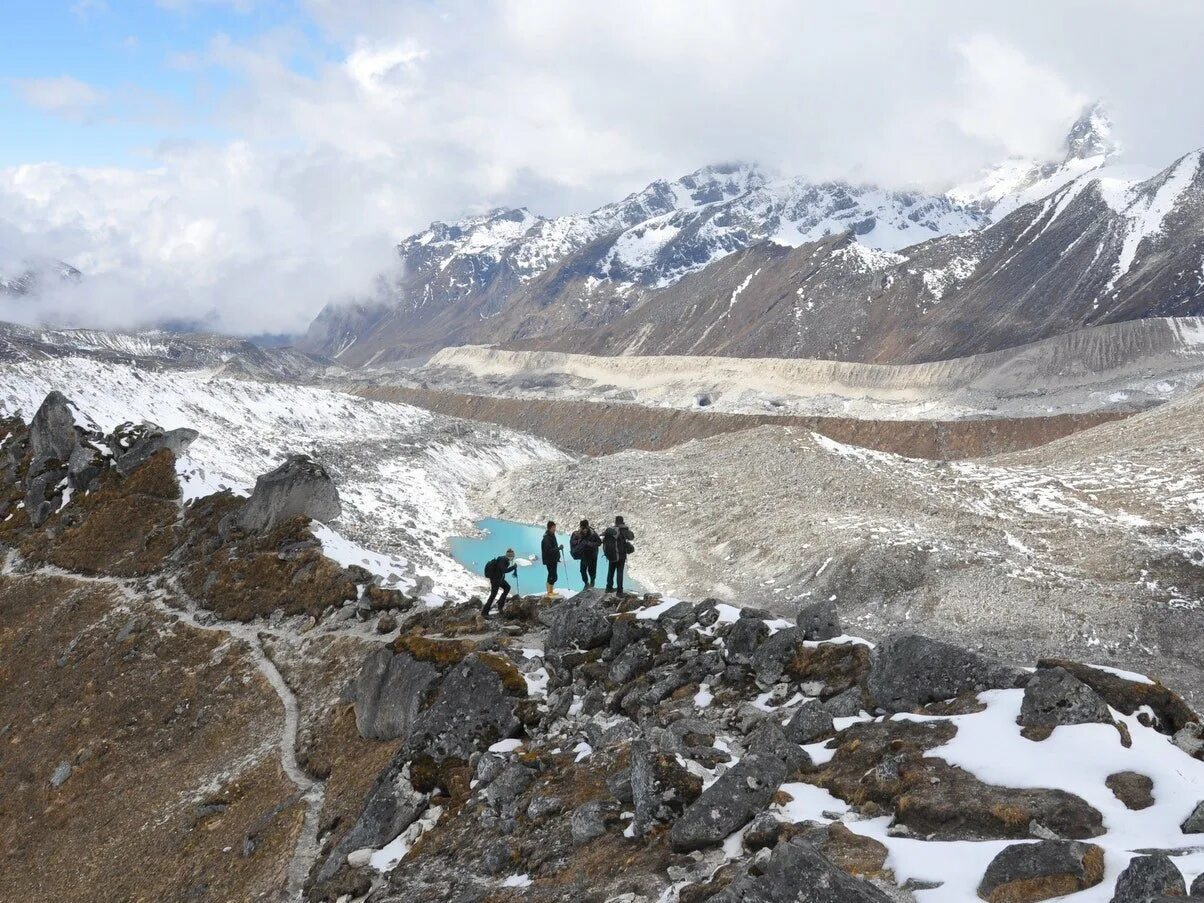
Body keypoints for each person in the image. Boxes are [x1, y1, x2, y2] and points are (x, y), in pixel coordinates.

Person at [602, 515, 636, 595]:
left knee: (611, 571)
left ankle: (608, 587)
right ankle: (619, 591)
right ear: (622, 521)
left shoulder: (611, 530)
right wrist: (626, 528)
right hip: (621, 555)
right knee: (619, 572)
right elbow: (631, 537)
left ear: (616, 522)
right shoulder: (624, 530)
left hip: (612, 555)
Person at [482, 548, 517, 616]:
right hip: (496, 580)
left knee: (507, 587)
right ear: (510, 556)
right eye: (512, 556)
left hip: (499, 579)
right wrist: (513, 567)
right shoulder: (503, 560)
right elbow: (504, 570)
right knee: (493, 596)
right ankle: (484, 612)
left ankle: (500, 604)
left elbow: (501, 571)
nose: (512, 558)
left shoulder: (503, 559)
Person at [569, 518, 602, 588]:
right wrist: (579, 542)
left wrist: (590, 544)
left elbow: (599, 542)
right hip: (584, 555)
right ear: (581, 527)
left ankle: (592, 582)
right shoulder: (577, 534)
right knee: (582, 570)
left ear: (588, 527)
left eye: (585, 528)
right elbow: (572, 542)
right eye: (583, 528)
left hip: (593, 554)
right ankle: (586, 583)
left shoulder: (593, 533)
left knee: (592, 570)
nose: (584, 530)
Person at [541, 520, 562, 599]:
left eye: (555, 527)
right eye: (553, 527)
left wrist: (558, 555)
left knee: (552, 575)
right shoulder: (547, 538)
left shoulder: (552, 535)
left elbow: (554, 547)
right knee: (552, 575)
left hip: (553, 559)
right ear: (549, 528)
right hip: (549, 560)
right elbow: (549, 550)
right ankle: (549, 592)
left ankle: (550, 591)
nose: (555, 529)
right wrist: (558, 549)